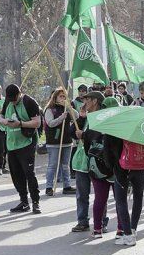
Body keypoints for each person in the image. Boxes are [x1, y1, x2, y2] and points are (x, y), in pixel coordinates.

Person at [0, 84, 42, 214]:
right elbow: (0, 117)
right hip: (11, 144)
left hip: (27, 143)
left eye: (14, 98)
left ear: (19, 93)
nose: (12, 101)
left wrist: (21, 123)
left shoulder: (29, 102)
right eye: (10, 98)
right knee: (16, 175)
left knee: (29, 173)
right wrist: (4, 121)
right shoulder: (8, 101)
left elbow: (37, 122)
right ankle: (24, 202)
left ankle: (35, 202)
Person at [71, 91, 109, 233]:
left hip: (98, 162)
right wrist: (81, 118)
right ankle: (82, 221)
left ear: (94, 101)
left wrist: (84, 135)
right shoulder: (85, 116)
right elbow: (72, 132)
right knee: (81, 194)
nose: (83, 103)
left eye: (86, 100)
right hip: (82, 161)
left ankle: (102, 222)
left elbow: (98, 135)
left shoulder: (102, 117)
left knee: (100, 195)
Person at [81, 95, 117, 238]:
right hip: (116, 168)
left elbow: (86, 146)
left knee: (99, 199)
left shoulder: (94, 122)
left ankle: (97, 230)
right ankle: (122, 230)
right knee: (119, 200)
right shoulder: (119, 125)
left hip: (97, 167)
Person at [43, 87, 78, 196]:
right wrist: (61, 118)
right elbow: (50, 123)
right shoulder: (50, 109)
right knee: (52, 165)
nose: (63, 98)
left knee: (65, 165)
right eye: (61, 96)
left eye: (65, 96)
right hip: (54, 142)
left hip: (66, 141)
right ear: (55, 97)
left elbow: (76, 117)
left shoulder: (67, 108)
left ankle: (67, 186)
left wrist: (69, 108)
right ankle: (49, 186)